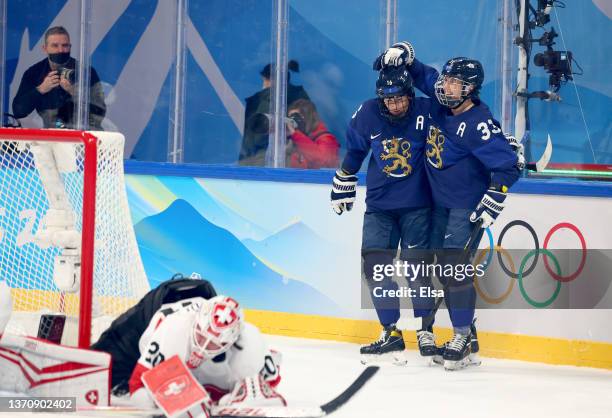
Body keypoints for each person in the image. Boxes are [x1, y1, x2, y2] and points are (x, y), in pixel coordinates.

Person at [377, 42, 521, 370]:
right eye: (447, 80)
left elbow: (509, 166)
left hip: (464, 208)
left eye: (454, 83)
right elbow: (424, 76)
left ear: (470, 90)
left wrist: (496, 193)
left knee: (453, 271)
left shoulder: (478, 122)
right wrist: (407, 57)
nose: (445, 86)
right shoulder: (444, 105)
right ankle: (466, 334)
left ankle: (461, 336)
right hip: (438, 206)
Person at [330, 64, 433, 364]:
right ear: (380, 98)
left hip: (417, 206)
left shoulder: (426, 110)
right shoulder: (367, 113)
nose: (396, 105)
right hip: (379, 207)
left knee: (417, 271)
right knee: (375, 269)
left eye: (401, 98)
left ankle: (425, 331)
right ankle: (391, 332)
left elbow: (452, 102)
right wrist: (344, 178)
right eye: (389, 100)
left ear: (410, 95)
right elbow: (355, 152)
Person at [127, 294, 285, 413]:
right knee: (149, 394)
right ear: (195, 322)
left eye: (213, 344)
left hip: (218, 363)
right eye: (202, 337)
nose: (202, 348)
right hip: (154, 335)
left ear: (231, 343)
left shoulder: (249, 343)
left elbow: (269, 391)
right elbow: (136, 385)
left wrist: (230, 402)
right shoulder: (173, 330)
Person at [12, 26, 106, 129]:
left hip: (82, 133)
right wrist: (41, 89)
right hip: (50, 135)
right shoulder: (34, 72)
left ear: (70, 47)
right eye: (55, 46)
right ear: (45, 48)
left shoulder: (85, 72)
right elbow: (18, 110)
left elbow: (100, 111)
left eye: (65, 45)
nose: (60, 50)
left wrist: (73, 91)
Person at [239, 60, 310, 166]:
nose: (263, 84)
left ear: (271, 80)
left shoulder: (265, 100)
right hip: (298, 161)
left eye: (264, 80)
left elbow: (255, 138)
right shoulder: (302, 99)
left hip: (264, 161)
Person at [286, 99, 339, 169]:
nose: (293, 123)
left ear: (308, 118)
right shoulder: (294, 141)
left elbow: (322, 161)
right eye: (290, 119)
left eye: (296, 118)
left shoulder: (327, 139)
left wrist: (296, 135)